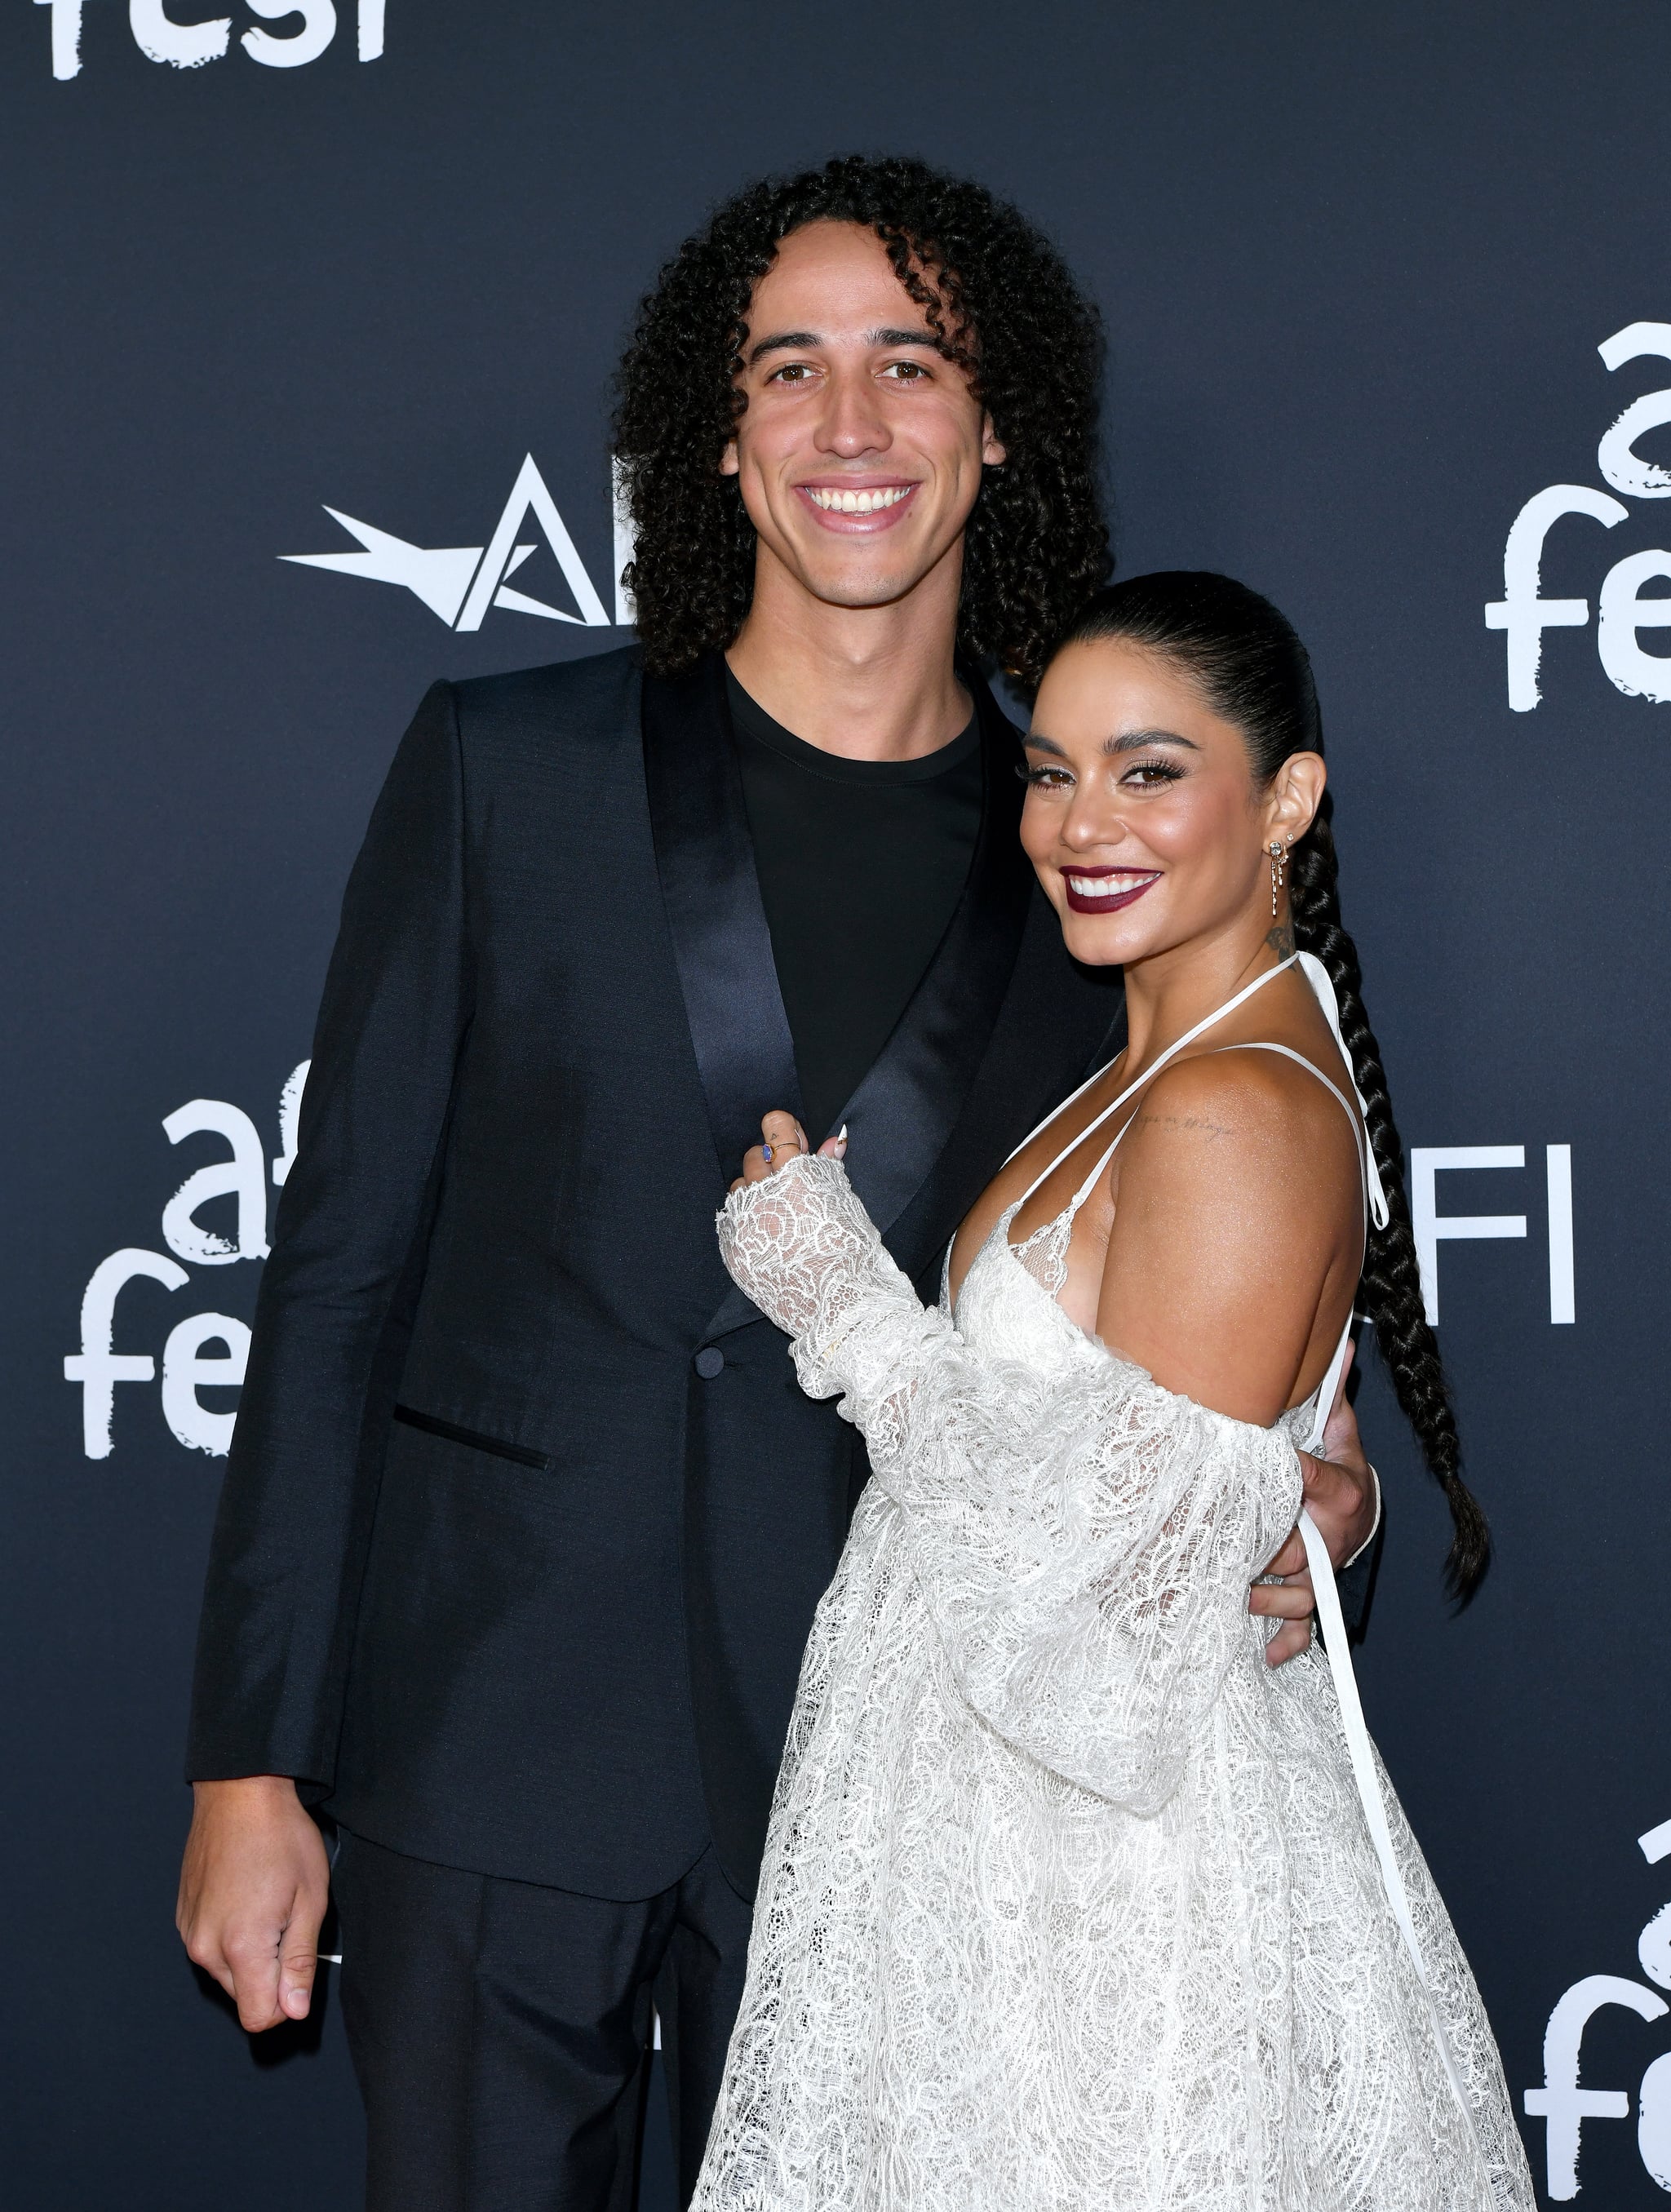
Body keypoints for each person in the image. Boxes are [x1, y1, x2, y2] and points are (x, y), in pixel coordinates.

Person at [174, 157, 1376, 2212]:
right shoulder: (502, 764)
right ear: (714, 439)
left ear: (996, 427)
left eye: (910, 363)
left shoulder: (1093, 865)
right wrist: (245, 1757)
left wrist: (1308, 1484)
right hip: (489, 1743)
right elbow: (340, 1272)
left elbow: (1213, 1254)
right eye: (788, 369)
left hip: (898, 1793)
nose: (849, 425)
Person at [702, 573, 1535, 2210]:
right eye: (1051, 769)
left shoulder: (1230, 1106)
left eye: (1149, 770)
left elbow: (1111, 1640)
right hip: (994, 1865)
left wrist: (843, 1306)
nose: (1081, 822)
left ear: (1285, 797)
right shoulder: (1157, 1063)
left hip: (1108, 1902)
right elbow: (1157, 1487)